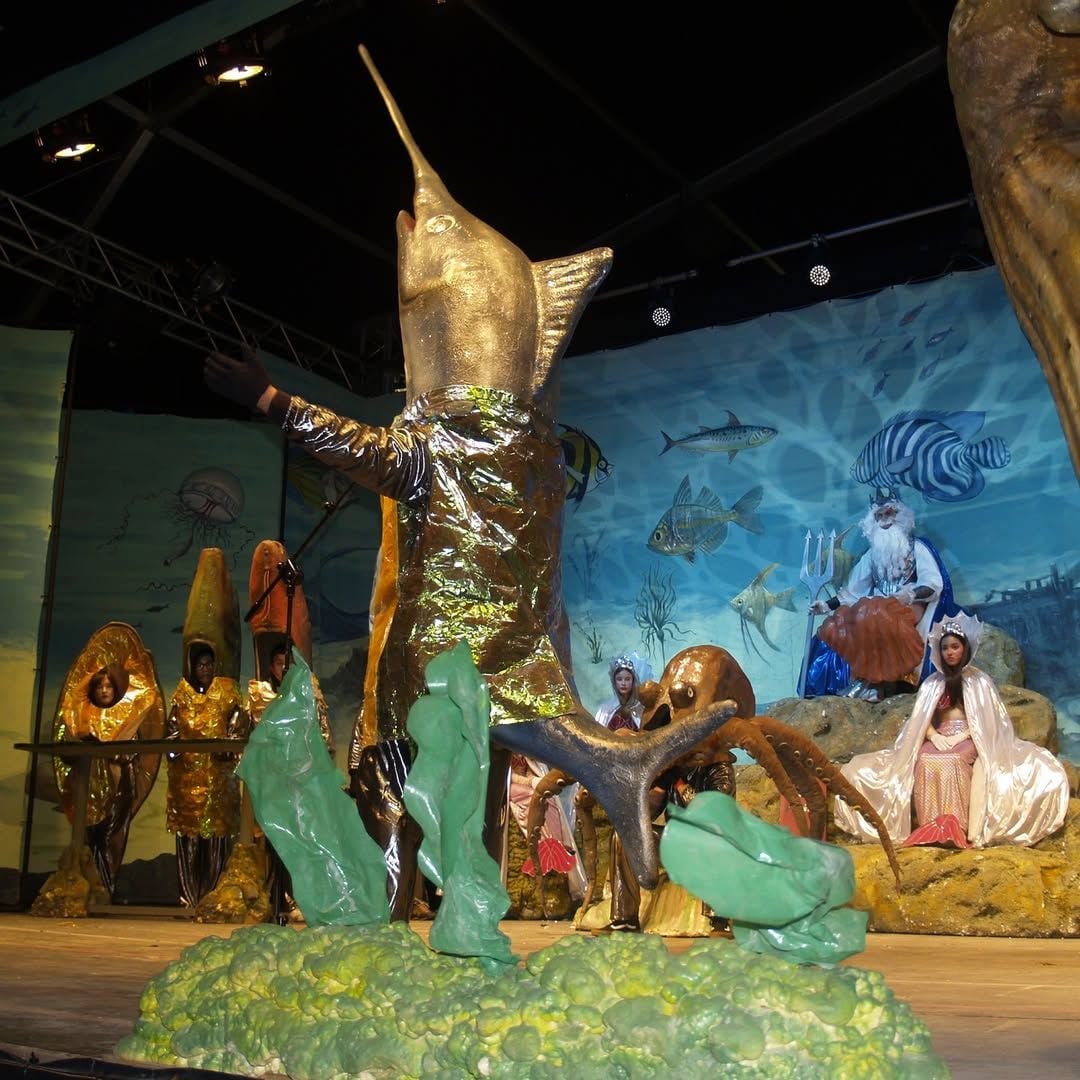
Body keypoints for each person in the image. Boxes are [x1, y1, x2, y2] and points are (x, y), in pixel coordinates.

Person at [833, 614, 1070, 848]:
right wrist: (934, 736)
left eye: (955, 646)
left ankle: (957, 824)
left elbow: (987, 721)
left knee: (955, 760)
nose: (950, 652)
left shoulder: (979, 681)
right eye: (945, 647)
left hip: (970, 737)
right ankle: (931, 825)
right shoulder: (933, 683)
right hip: (940, 735)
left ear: (965, 649)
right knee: (925, 759)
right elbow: (921, 718)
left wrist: (965, 735)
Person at [805, 488, 953, 701]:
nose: (884, 520)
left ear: (899, 515)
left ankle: (875, 682)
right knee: (845, 620)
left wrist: (910, 595)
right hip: (875, 606)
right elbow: (853, 592)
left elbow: (933, 584)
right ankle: (866, 681)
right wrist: (827, 606)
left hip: (909, 605)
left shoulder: (917, 548)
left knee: (874, 614)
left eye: (889, 514)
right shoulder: (871, 556)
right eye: (879, 516)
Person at [165, 645, 248, 907]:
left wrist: (225, 752)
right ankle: (189, 899)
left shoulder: (228, 695)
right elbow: (171, 737)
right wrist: (177, 754)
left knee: (215, 842)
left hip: (217, 784)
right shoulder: (181, 697)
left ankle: (213, 896)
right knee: (188, 843)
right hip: (186, 787)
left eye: (210, 664)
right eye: (201, 665)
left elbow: (237, 734)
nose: (206, 669)